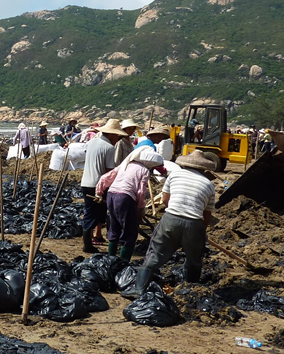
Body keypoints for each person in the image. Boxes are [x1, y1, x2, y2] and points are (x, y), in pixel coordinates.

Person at [124, 150, 217, 298]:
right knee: (194, 258)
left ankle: (139, 289)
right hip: (194, 223)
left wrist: (173, 211)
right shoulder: (208, 184)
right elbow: (207, 214)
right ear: (203, 168)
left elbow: (166, 199)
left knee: (155, 252)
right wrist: (202, 232)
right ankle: (189, 292)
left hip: (171, 218)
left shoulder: (175, 175)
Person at [99, 146, 165, 261]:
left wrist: (99, 191)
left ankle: (111, 260)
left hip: (111, 194)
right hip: (125, 197)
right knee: (130, 232)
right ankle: (124, 262)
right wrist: (140, 208)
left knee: (114, 227)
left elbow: (106, 177)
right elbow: (140, 192)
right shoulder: (143, 170)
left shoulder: (125, 165)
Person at [79, 118, 127, 253]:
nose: (118, 139)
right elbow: (108, 172)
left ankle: (94, 238)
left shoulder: (91, 142)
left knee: (93, 211)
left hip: (85, 182)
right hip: (98, 184)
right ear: (111, 134)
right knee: (98, 213)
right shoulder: (109, 148)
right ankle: (88, 244)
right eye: (117, 135)